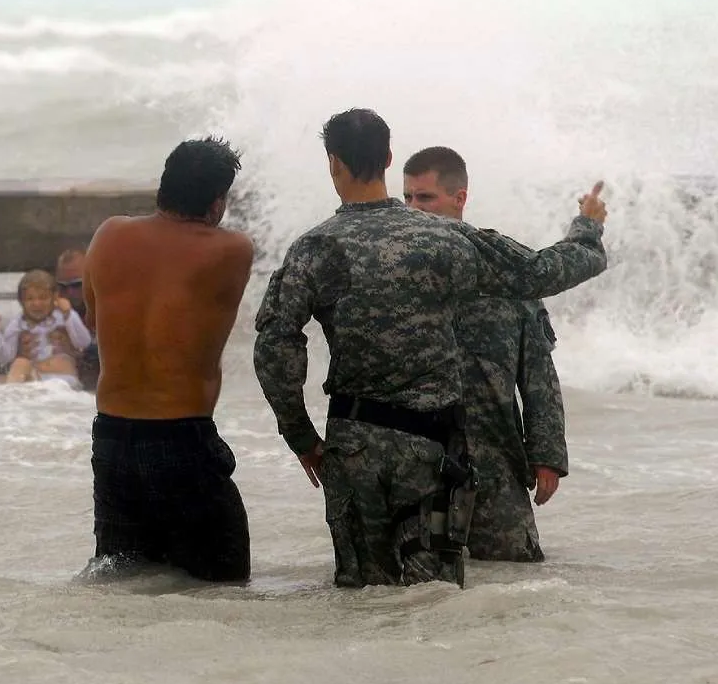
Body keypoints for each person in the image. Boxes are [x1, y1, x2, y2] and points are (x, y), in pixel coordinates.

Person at [253, 108, 608, 588]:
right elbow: (538, 273)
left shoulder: (314, 248)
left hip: (354, 445)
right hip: (431, 450)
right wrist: (585, 232)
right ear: (388, 158)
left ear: (333, 163)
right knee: (434, 600)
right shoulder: (449, 240)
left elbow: (275, 345)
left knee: (363, 597)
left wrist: (302, 437)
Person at [80, 136, 255, 583]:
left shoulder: (109, 233)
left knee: (125, 582)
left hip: (112, 439)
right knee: (222, 586)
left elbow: (94, 320)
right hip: (180, 441)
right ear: (218, 202)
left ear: (163, 187)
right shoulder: (231, 249)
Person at [402, 146, 565, 562]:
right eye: (407, 198)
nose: (414, 209)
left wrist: (546, 457)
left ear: (460, 198)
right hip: (419, 455)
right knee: (419, 583)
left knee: (513, 575)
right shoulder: (398, 267)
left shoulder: (504, 269)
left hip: (493, 454)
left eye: (425, 198)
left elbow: (538, 373)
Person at [0, 269, 93, 386]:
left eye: (43, 298)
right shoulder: (18, 324)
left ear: (55, 297)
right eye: (30, 299)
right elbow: (4, 357)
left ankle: (11, 390)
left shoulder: (63, 317)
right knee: (15, 367)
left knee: (19, 367)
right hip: (36, 377)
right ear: (21, 302)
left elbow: (84, 342)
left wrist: (68, 314)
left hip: (63, 378)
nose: (37, 304)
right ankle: (11, 394)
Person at [54, 248, 100, 392]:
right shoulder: (50, 311)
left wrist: (78, 352)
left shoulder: (110, 307)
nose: (69, 293)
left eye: (77, 284)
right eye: (62, 287)